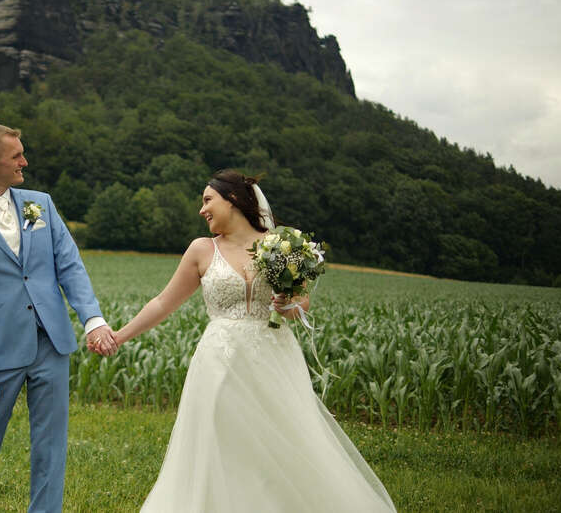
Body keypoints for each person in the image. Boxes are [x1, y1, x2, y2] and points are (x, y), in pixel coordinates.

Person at [91, 169, 396, 512]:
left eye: (208, 200)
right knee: (220, 440)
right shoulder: (201, 250)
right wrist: (119, 336)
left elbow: (300, 305)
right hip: (218, 361)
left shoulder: (282, 246)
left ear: (232, 199)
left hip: (273, 358)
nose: (201, 210)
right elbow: (163, 302)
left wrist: (288, 303)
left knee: (281, 440)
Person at [0, 124, 116, 512]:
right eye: (16, 155)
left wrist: (93, 319)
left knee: (50, 447)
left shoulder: (41, 204)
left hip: (52, 344)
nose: (25, 161)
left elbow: (69, 265)